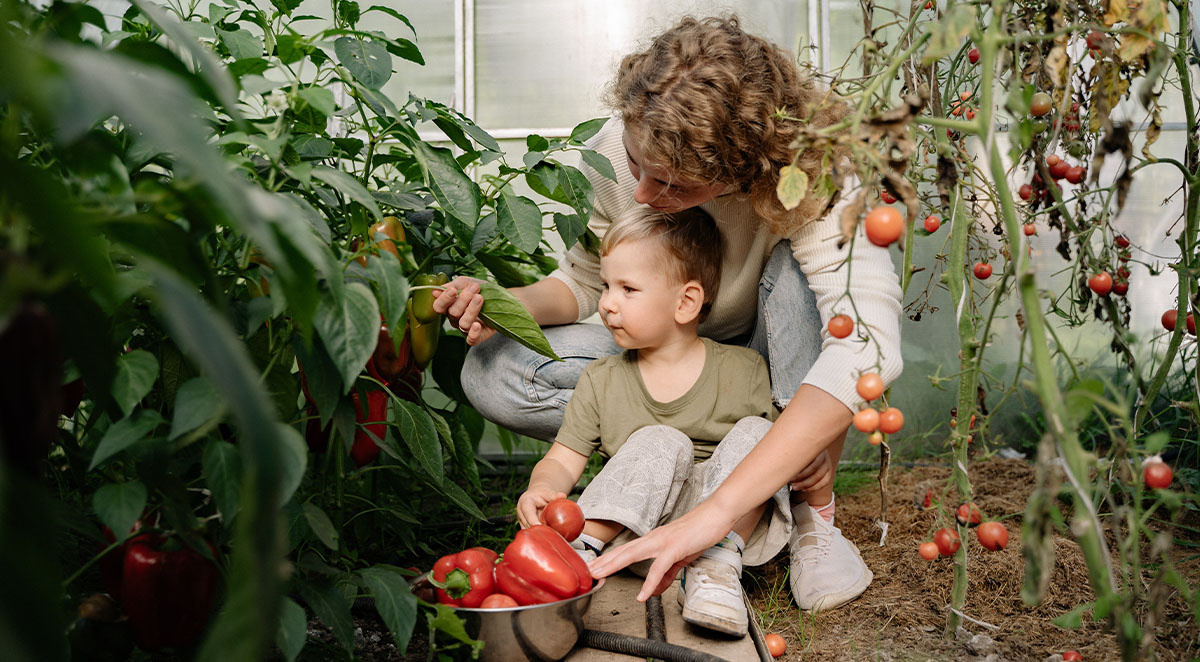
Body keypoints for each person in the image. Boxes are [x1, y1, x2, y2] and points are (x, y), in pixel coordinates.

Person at [433, 14, 903, 612]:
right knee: (495, 368)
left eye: (677, 186)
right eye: (637, 168)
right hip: (662, 350)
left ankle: (808, 514)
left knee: (806, 289)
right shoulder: (618, 148)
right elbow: (583, 284)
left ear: (744, 170)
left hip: (766, 368)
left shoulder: (815, 173)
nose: (646, 198)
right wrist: (501, 304)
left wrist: (718, 515)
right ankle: (669, 469)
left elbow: (868, 345)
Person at [515, 206, 789, 637]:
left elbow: (780, 463)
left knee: (763, 436)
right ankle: (583, 552)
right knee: (663, 440)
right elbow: (563, 460)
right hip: (632, 531)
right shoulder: (601, 379)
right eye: (606, 286)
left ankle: (715, 571)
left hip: (720, 532)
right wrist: (541, 489)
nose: (606, 303)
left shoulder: (745, 370)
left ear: (686, 302)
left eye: (627, 289)